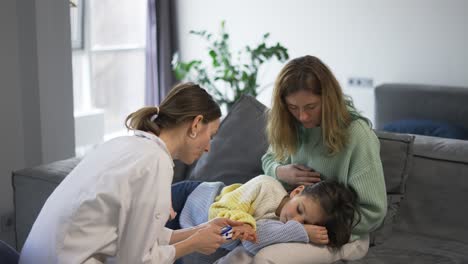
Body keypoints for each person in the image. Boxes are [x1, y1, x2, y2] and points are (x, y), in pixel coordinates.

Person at [19, 82, 243, 264]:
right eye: (211, 136)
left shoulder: (125, 145)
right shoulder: (155, 163)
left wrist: (200, 230)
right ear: (195, 125)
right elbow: (136, 260)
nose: (208, 148)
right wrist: (193, 244)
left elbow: (140, 239)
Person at [256, 55, 387, 263]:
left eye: (311, 107)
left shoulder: (357, 135)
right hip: (293, 223)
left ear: (328, 99)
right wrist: (282, 171)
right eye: (293, 107)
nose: (302, 117)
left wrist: (311, 231)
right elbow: (269, 159)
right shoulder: (292, 125)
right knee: (241, 244)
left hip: (341, 234)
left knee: (265, 257)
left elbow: (373, 212)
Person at [169, 175, 360, 255]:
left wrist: (300, 231)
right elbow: (219, 211)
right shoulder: (266, 185)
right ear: (296, 192)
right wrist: (244, 224)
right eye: (300, 210)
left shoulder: (284, 228)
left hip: (188, 230)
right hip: (190, 198)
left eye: (304, 223)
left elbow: (251, 243)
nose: (295, 220)